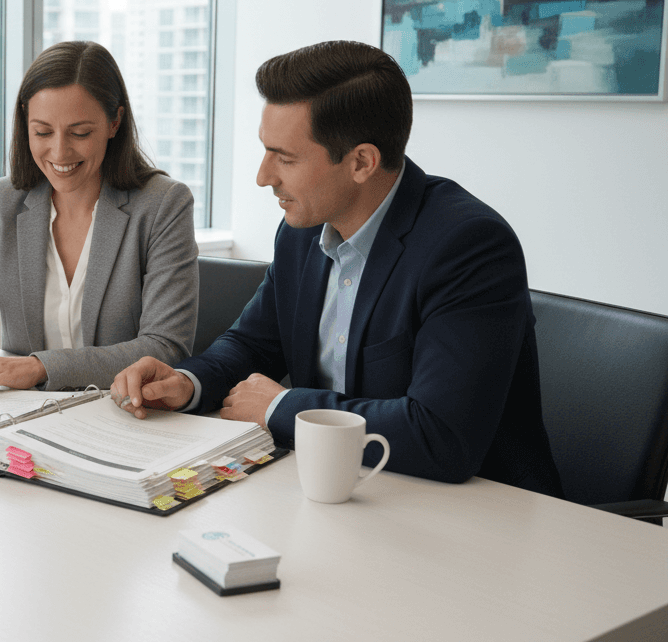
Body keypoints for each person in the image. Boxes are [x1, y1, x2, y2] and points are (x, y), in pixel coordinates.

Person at [110, 40, 563, 497]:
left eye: (285, 158)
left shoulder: (468, 247)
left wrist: (281, 407)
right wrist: (186, 382)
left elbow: (440, 435)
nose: (264, 176)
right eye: (266, 152)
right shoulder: (303, 229)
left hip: (477, 515)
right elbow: (253, 343)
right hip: (341, 494)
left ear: (361, 162)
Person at [0, 41, 199, 402]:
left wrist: (41, 367)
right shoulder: (1, 202)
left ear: (114, 122)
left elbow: (164, 347)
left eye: (80, 133)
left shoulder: (163, 205)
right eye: (42, 132)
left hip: (123, 416)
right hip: (24, 421)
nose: (59, 152)